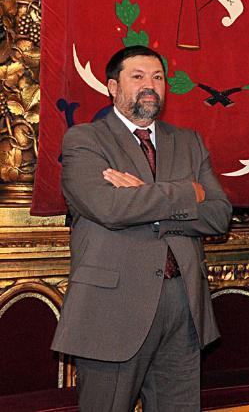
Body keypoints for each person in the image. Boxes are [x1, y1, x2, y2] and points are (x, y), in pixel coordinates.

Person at [51, 45, 233, 410]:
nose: (150, 85)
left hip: (183, 306)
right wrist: (186, 193)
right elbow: (109, 207)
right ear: (112, 88)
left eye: (157, 78)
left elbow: (218, 214)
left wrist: (145, 197)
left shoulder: (188, 141)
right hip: (112, 309)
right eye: (137, 77)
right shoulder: (85, 140)